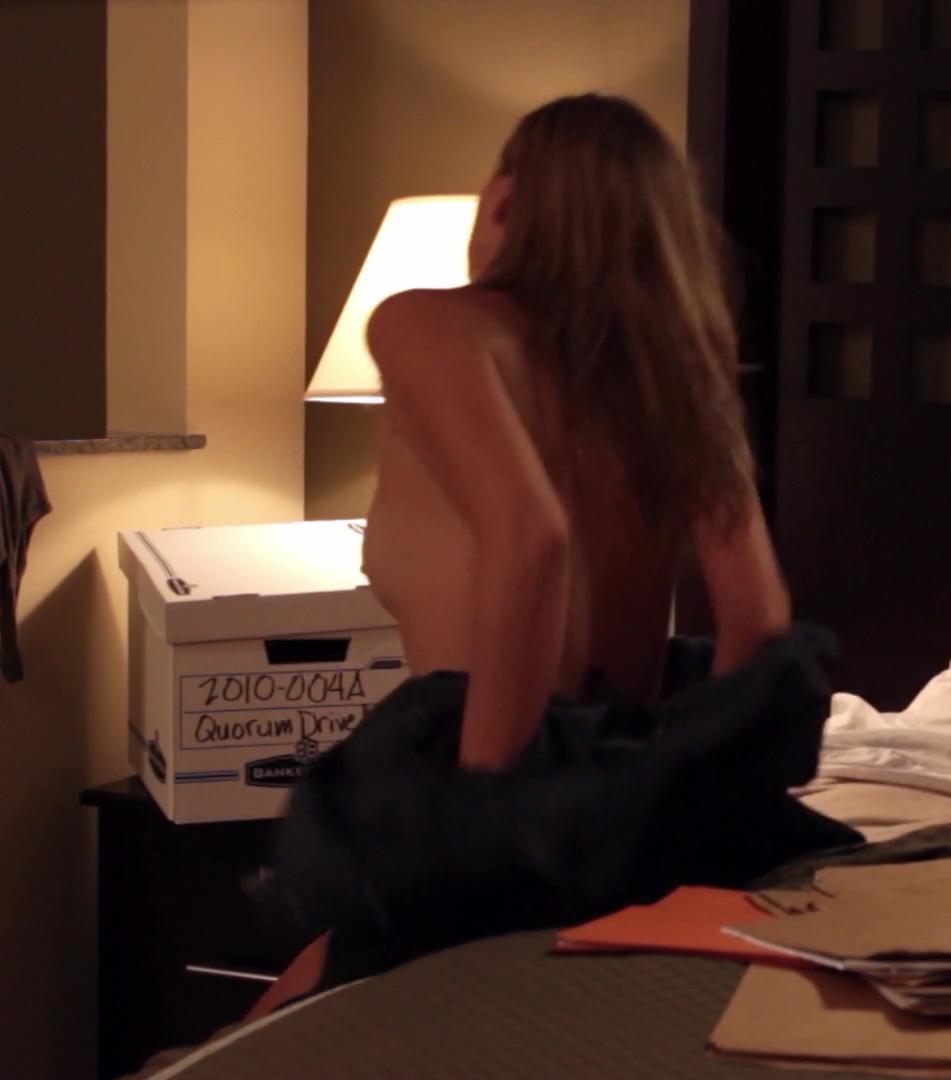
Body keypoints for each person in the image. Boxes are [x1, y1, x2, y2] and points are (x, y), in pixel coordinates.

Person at [248, 94, 803, 1017]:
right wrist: (682, 788)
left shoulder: (425, 323)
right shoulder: (672, 366)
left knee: (246, 1042)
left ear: (505, 197)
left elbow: (531, 535)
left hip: (501, 777)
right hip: (630, 790)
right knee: (291, 998)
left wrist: (489, 804)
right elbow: (759, 615)